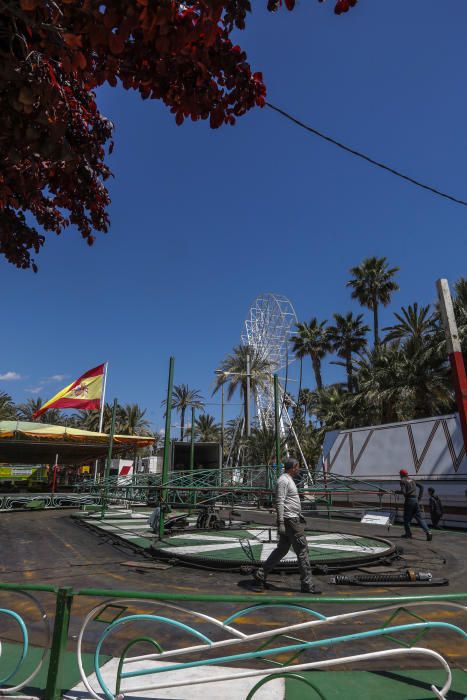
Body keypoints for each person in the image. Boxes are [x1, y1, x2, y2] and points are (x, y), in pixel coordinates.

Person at [253, 458, 321, 594]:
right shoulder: (283, 480)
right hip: (290, 521)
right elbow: (279, 501)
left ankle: (261, 573)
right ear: (293, 467)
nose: (299, 469)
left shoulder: (288, 480)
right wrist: (281, 522)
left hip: (292, 519)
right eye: (297, 467)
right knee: (302, 551)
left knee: (282, 549)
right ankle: (307, 584)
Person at [396, 469, 432, 541]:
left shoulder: (402, 481)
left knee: (406, 518)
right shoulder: (412, 480)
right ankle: (428, 531)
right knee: (420, 518)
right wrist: (419, 498)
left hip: (409, 501)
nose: (399, 475)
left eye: (400, 474)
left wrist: (396, 492)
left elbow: (404, 492)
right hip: (415, 500)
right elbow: (421, 486)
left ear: (402, 474)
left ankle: (408, 534)